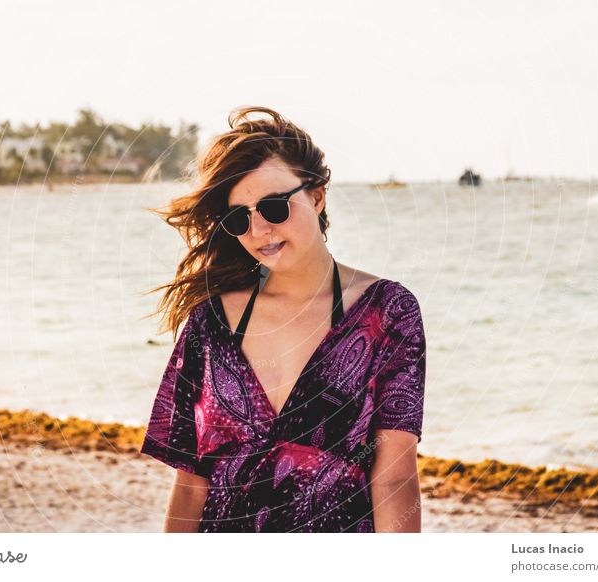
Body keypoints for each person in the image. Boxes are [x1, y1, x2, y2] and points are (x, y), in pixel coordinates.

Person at [141, 106, 426, 533]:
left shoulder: (388, 311)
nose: (259, 231)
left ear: (317, 195)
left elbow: (395, 476)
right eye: (240, 218)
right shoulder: (211, 324)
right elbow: (189, 486)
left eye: (274, 207)